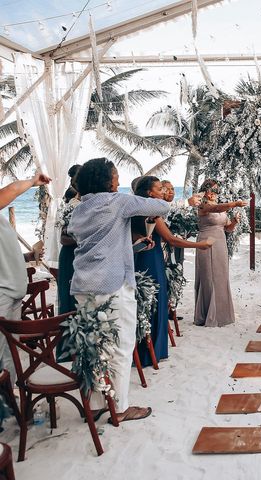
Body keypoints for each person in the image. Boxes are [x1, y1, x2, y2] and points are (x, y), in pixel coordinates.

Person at [69, 158, 169, 422]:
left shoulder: (79, 209)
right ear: (107, 181)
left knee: (94, 345)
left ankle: (97, 403)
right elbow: (162, 206)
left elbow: (97, 242)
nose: (119, 181)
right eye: (115, 177)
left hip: (82, 285)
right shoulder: (119, 202)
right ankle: (120, 408)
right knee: (122, 345)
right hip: (112, 284)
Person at [133, 176, 212, 367]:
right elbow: (171, 239)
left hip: (141, 257)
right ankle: (150, 353)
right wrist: (200, 245)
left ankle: (144, 351)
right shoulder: (151, 212)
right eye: (159, 189)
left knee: (145, 303)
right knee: (153, 302)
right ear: (150, 193)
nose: (164, 192)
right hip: (151, 259)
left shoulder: (135, 210)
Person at [0, 172, 51, 382]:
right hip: (2, 292)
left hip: (11, 290)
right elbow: (10, 191)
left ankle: (9, 399)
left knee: (10, 350)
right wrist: (32, 182)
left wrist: (26, 256)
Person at [194, 179, 248, 327]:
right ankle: (208, 314)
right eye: (210, 189)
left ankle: (221, 314)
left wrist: (235, 221)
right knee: (208, 276)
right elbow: (215, 209)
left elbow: (227, 228)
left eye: (216, 190)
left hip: (220, 242)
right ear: (204, 191)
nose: (213, 193)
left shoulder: (220, 206)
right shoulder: (202, 205)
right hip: (206, 241)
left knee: (220, 275)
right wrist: (234, 204)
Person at [58, 165, 82, 317]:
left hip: (88, 256)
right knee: (71, 301)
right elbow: (63, 238)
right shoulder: (72, 205)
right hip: (71, 256)